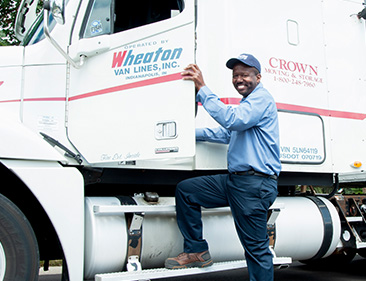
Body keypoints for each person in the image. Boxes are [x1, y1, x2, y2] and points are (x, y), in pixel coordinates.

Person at [164, 53, 281, 281]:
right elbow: (225, 132)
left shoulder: (262, 99)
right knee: (187, 190)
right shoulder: (247, 104)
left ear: (258, 77)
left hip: (254, 185)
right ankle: (197, 250)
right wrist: (185, 135)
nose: (239, 79)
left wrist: (203, 88)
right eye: (236, 75)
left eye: (245, 75)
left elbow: (232, 121)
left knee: (256, 250)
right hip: (236, 182)